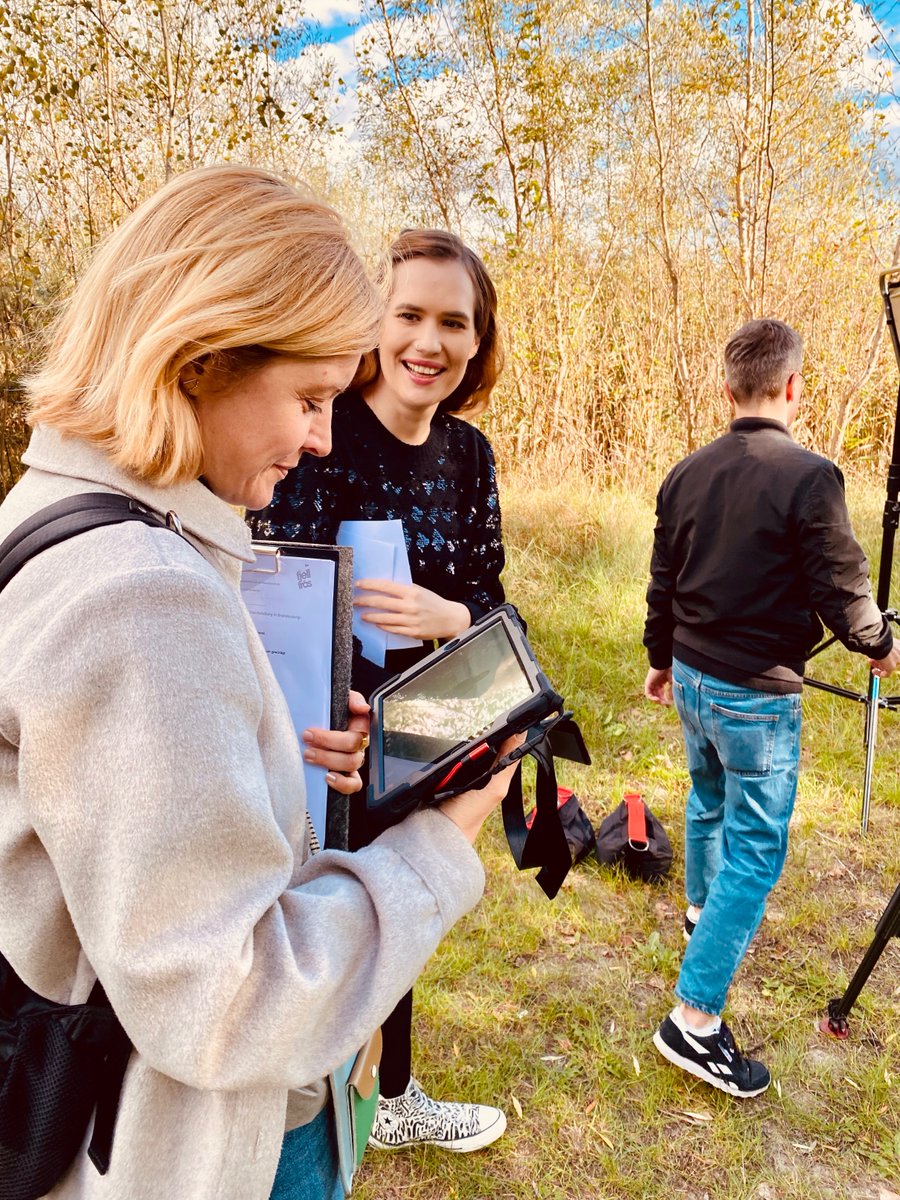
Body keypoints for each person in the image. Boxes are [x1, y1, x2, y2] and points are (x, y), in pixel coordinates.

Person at [0, 165, 521, 1200]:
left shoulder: (61, 515)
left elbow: (112, 816)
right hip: (185, 1146)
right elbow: (226, 999)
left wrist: (268, 749)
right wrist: (441, 839)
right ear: (200, 360)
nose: (323, 436)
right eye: (312, 398)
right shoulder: (142, 596)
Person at [249, 229, 512, 1153]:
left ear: (478, 342)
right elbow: (265, 590)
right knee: (318, 920)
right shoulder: (318, 431)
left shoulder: (469, 457)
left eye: (453, 322)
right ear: (375, 323)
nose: (427, 342)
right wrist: (311, 721)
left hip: (432, 729)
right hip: (325, 741)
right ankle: (301, 1106)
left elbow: (491, 606)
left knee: (404, 913)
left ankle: (391, 1095)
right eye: (408, 315)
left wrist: (447, 615)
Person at [642, 317, 900, 1098]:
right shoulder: (811, 475)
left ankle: (698, 913)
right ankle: (694, 1023)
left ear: (728, 391)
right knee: (755, 849)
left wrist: (659, 660)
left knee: (708, 796)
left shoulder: (685, 470)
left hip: (691, 675)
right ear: (794, 388)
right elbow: (843, 586)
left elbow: (662, 581)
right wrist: (882, 644)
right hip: (752, 694)